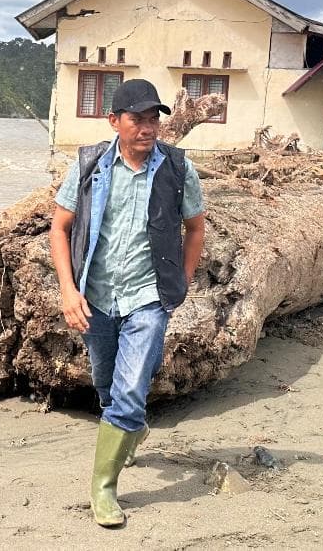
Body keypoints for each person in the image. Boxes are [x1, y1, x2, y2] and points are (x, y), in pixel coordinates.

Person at [48, 78, 206, 527]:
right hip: (96, 295)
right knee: (106, 384)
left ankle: (104, 488)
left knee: (131, 389)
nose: (148, 127)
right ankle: (130, 428)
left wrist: (180, 283)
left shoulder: (178, 169)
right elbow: (59, 228)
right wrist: (68, 290)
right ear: (114, 121)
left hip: (148, 297)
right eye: (138, 119)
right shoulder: (90, 166)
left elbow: (195, 228)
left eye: (154, 119)